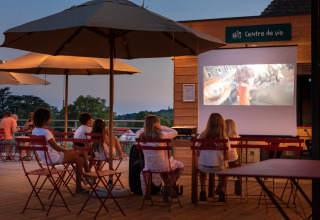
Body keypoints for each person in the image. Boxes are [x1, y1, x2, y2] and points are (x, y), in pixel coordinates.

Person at [32, 107, 90, 193]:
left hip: (46, 159)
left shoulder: (34, 131)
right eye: (49, 118)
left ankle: (79, 188)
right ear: (45, 119)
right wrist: (66, 150)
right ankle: (88, 174)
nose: (50, 120)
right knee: (81, 150)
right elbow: (56, 147)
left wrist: (67, 151)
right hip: (55, 158)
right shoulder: (46, 132)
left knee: (80, 159)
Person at [136, 115, 184, 201]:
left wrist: (148, 127)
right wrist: (160, 128)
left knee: (162, 166)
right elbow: (175, 132)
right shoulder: (162, 135)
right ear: (156, 124)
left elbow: (139, 131)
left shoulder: (140, 136)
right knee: (180, 165)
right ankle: (167, 187)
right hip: (163, 166)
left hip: (149, 167)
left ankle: (162, 190)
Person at [197, 113, 231, 202]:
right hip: (219, 168)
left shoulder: (201, 136)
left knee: (202, 169)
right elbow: (227, 157)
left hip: (203, 167)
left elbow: (196, 153)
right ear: (222, 124)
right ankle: (222, 190)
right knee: (226, 166)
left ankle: (203, 191)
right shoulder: (224, 138)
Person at [225, 119, 241, 195]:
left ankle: (223, 187)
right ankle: (238, 183)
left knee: (225, 170)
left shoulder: (222, 137)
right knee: (238, 162)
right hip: (234, 161)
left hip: (224, 161)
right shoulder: (237, 136)